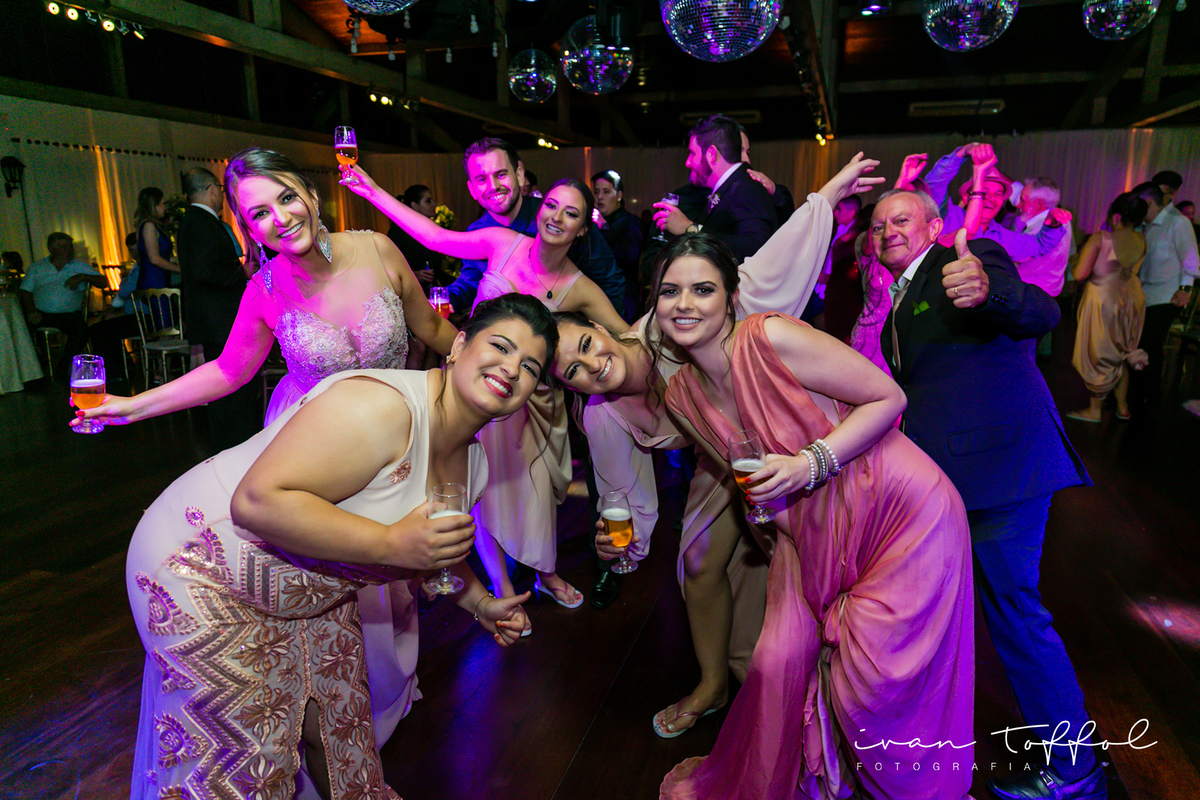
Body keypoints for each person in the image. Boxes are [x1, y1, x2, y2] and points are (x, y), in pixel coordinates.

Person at [126, 294, 546, 800]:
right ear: (458, 345)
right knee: (244, 763)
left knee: (343, 736)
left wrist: (479, 603)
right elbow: (256, 502)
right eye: (500, 346)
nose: (511, 369)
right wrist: (390, 542)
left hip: (317, 581)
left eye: (530, 367)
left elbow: (436, 549)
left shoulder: (474, 465)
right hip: (207, 565)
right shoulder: (381, 407)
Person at [552, 155, 884, 737]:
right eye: (572, 371)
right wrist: (618, 546)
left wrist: (827, 196)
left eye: (586, 344)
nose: (591, 364)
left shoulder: (672, 325)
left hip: (772, 443)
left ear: (602, 328)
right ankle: (714, 684)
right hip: (716, 461)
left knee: (798, 557)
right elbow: (626, 500)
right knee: (698, 563)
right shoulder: (603, 418)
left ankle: (820, 677)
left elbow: (755, 274)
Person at [649, 234, 974, 800]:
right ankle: (820, 779)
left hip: (902, 516)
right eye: (669, 291)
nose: (684, 303)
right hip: (808, 535)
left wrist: (809, 463)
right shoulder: (681, 395)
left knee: (870, 687)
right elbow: (744, 475)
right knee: (776, 666)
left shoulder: (770, 337)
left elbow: (888, 398)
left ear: (730, 297)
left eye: (702, 289)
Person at [874, 190, 1101, 800]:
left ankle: (1076, 772)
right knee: (954, 609)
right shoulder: (901, 297)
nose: (887, 230)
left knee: (1016, 614)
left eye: (901, 219)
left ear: (934, 227)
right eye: (878, 224)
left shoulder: (968, 259)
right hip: (953, 477)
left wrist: (989, 291)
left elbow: (1040, 312)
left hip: (1001, 470)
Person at [341, 161, 630, 615]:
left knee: (535, 493)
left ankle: (546, 572)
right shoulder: (501, 242)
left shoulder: (581, 287)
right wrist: (374, 191)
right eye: (551, 205)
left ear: (581, 230)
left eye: (571, 213)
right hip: (468, 393)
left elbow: (625, 335)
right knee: (479, 492)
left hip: (526, 404)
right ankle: (501, 588)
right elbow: (435, 237)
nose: (556, 217)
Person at [74, 147, 457, 431]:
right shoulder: (263, 291)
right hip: (320, 437)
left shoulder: (378, 249)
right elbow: (227, 372)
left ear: (311, 195)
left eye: (287, 197)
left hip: (401, 424)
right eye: (260, 213)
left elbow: (433, 327)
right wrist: (133, 406)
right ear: (250, 230)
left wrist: (484, 367)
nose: (282, 218)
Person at [445, 138, 623, 314]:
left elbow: (609, 281)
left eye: (501, 175)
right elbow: (471, 282)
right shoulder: (476, 231)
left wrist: (601, 327)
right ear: (472, 189)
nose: (493, 186)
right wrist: (446, 298)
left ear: (520, 175)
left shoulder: (554, 219)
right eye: (481, 179)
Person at [176, 168, 258, 450]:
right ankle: (237, 448)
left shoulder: (194, 221)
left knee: (229, 389)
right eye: (221, 190)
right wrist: (244, 273)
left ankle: (233, 446)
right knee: (233, 389)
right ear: (212, 189)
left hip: (214, 318)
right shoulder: (201, 223)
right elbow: (205, 271)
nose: (221, 196)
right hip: (220, 318)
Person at [1068, 192, 1149, 422]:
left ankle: (1094, 410)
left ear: (1116, 217)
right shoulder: (1141, 240)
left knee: (1100, 353)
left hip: (1104, 299)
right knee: (1121, 353)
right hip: (1133, 298)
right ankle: (1122, 407)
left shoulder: (1100, 239)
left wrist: (1075, 263)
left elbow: (1080, 274)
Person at [652, 115, 778, 263]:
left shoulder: (745, 187)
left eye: (693, 153)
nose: (688, 162)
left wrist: (689, 228)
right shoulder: (730, 186)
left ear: (711, 154)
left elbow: (755, 247)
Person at [923, 143, 1070, 263]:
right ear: (968, 197)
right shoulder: (946, 215)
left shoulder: (1001, 236)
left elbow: (1038, 246)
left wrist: (1051, 225)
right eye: (984, 191)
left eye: (998, 194)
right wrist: (963, 152)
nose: (991, 199)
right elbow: (934, 185)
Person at [1129, 179, 1198, 408]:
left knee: (1150, 342)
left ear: (1148, 202)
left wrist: (1185, 289)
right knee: (1140, 342)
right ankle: (1137, 392)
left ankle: (1149, 394)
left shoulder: (1177, 222)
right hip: (1144, 293)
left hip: (1167, 295)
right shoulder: (1144, 225)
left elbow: (1190, 257)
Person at [19, 232, 106, 372]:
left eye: (70, 246)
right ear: (51, 249)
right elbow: (25, 291)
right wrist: (31, 310)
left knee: (81, 330)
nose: (69, 250)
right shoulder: (37, 267)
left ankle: (63, 367)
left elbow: (103, 282)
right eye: (64, 247)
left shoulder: (79, 266)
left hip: (69, 314)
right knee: (20, 327)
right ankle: (33, 368)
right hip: (41, 313)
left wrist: (83, 276)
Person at [592, 169, 644, 320]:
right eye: (596, 192)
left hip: (623, 301)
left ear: (619, 195)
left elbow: (630, 255)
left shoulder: (632, 222)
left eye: (606, 192)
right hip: (594, 298)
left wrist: (605, 227)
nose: (600, 197)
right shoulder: (592, 224)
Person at [1009, 177, 1073, 297]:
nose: (1019, 205)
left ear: (1039, 203)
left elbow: (1016, 256)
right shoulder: (1061, 220)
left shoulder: (1042, 226)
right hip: (1046, 293)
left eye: (1023, 200)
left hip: (1031, 295)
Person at [386, 184, 442, 286]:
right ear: (414, 205)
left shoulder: (429, 230)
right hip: (411, 289)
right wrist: (413, 274)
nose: (434, 204)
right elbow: (389, 265)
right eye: (428, 201)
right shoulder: (399, 233)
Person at [739, 129, 795, 225]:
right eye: (739, 151)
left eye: (748, 153)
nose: (747, 160)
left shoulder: (755, 188)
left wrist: (774, 190)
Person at [131, 187, 180, 293]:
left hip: (158, 281)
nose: (164, 208)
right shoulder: (149, 226)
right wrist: (180, 270)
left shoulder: (149, 225)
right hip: (154, 283)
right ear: (154, 206)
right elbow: (155, 259)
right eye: (162, 204)